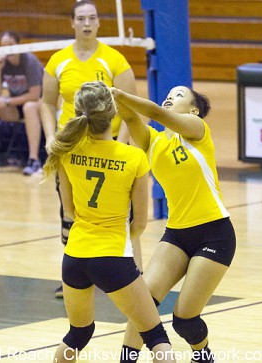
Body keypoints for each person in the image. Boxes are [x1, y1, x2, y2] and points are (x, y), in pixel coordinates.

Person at [43, 81, 175, 363]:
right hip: (113, 255)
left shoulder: (67, 152)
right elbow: (140, 221)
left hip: (75, 257)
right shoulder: (133, 157)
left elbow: (68, 211)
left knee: (78, 334)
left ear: (79, 114)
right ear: (113, 113)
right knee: (155, 336)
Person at [112, 86, 236, 363]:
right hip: (177, 234)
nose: (170, 97)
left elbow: (154, 112)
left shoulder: (196, 127)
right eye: (168, 94)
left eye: (179, 95)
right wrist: (111, 99)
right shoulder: (154, 141)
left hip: (215, 234)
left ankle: (202, 354)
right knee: (142, 304)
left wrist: (117, 92)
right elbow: (131, 118)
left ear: (194, 109)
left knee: (184, 320)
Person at [40, 0, 140, 298]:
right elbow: (45, 103)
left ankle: (128, 271)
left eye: (92, 18)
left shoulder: (114, 60)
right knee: (69, 210)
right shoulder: (58, 61)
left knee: (117, 209)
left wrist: (120, 142)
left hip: (107, 147)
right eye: (81, 18)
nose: (87, 23)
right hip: (72, 149)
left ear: (99, 23)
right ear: (72, 22)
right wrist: (50, 138)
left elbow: (131, 107)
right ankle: (76, 274)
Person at [0, 31, 44, 175]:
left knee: (29, 107)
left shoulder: (30, 62)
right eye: (3, 46)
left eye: (10, 45)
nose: (7, 50)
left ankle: (34, 161)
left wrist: (7, 101)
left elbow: (35, 95)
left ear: (19, 45)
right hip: (16, 104)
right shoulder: (1, 62)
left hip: (41, 104)